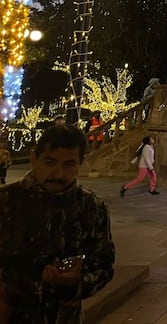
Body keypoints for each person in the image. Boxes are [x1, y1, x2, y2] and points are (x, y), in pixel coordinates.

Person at [0, 124, 115, 323]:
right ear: (34, 158)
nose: (58, 173)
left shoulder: (91, 208)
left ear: (80, 163)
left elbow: (103, 266)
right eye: (50, 162)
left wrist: (75, 283)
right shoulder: (6, 201)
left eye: (69, 164)